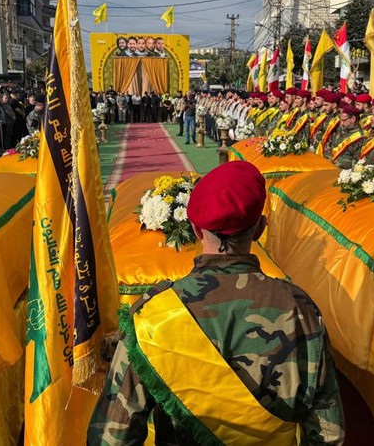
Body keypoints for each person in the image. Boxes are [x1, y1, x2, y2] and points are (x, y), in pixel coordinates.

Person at [88, 161, 344, 444]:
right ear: (260, 229)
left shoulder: (154, 318)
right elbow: (327, 432)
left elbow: (112, 437)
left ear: (196, 230)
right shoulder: (300, 309)